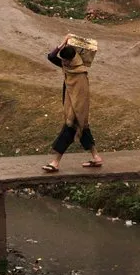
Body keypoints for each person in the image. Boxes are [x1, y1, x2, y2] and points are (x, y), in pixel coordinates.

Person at [42, 34, 103, 172]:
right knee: (83, 129)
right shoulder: (68, 66)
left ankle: (55, 162)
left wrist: (76, 111)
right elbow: (51, 57)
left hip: (77, 107)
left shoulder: (80, 73)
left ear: (71, 60)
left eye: (65, 61)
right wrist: (63, 42)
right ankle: (96, 157)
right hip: (70, 103)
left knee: (70, 128)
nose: (63, 63)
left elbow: (81, 97)